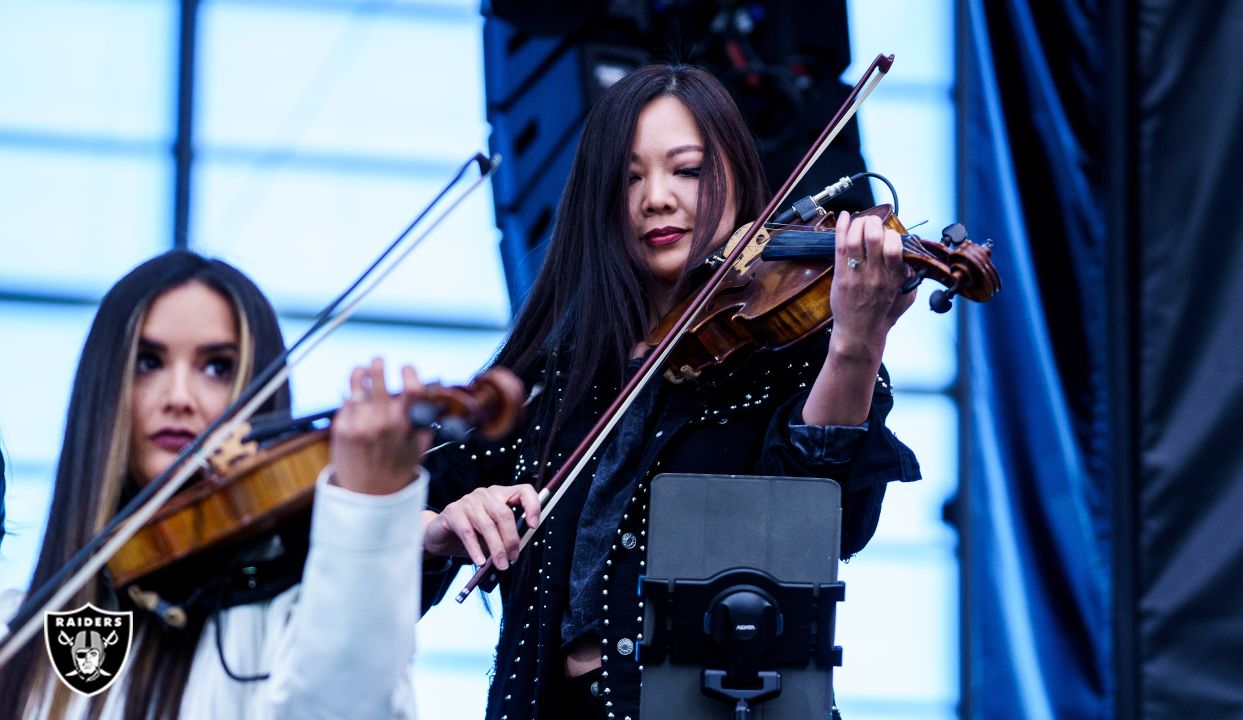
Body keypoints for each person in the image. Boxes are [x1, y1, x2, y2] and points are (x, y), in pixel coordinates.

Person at [420, 64, 923, 719]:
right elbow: (387, 524)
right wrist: (437, 532)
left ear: (740, 175)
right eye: (629, 177)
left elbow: (818, 530)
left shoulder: (799, 355)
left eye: (686, 170)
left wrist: (856, 345)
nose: (655, 197)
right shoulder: (551, 381)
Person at [0, 250, 432, 719]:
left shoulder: (308, 617)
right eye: (147, 362)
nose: (179, 398)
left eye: (216, 368)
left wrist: (369, 514)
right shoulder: (16, 632)